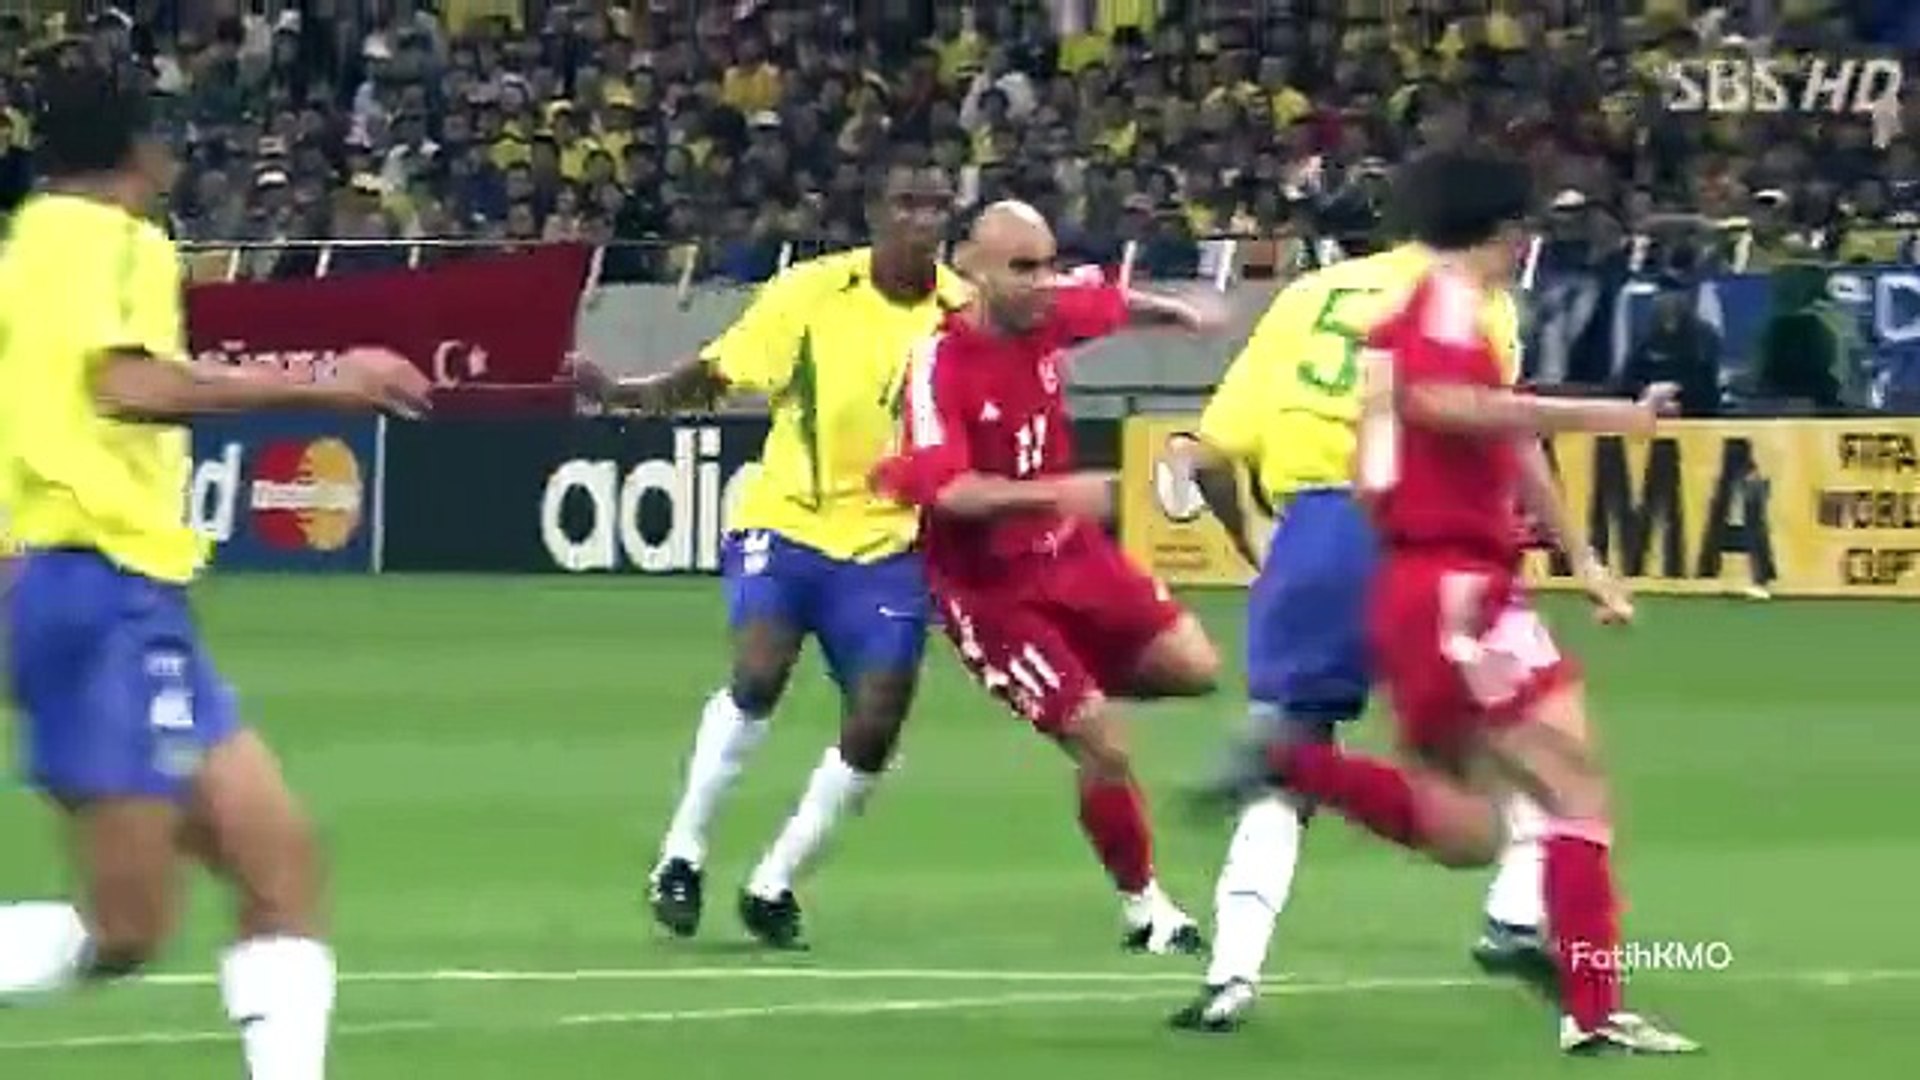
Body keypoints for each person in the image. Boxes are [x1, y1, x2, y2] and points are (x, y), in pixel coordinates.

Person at [0, 65, 430, 1079]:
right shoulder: (117, 242)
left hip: (103, 594)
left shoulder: (25, 248)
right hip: (99, 591)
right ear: (143, 151)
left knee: (277, 866)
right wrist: (327, 384)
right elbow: (126, 383)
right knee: (130, 927)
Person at [1246, 147, 1698, 1055]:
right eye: (1525, 226)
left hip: (1418, 583)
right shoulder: (1454, 306)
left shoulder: (1399, 324)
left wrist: (1581, 558)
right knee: (1572, 790)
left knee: (1468, 827)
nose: (1528, 243)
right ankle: (1593, 1011)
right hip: (1461, 589)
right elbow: (1452, 407)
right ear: (1504, 230)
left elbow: (1401, 458)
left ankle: (1300, 765)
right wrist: (1611, 415)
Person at [1173, 230, 1564, 1032]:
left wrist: (1257, 546)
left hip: (1312, 531)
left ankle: (1231, 974)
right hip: (1424, 530)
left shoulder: (1304, 297)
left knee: (1290, 751)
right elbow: (1495, 426)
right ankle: (1515, 913)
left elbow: (1210, 454)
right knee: (1535, 732)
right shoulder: (1472, 295)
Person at [573, 157, 968, 950]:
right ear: (874, 213)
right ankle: (682, 855)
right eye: (905, 203)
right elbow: (716, 376)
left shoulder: (964, 314)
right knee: (759, 672)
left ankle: (773, 883)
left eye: (935, 206)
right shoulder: (811, 292)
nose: (921, 220)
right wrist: (621, 393)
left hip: (889, 544)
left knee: (878, 721)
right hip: (787, 522)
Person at [871, 201, 1224, 953]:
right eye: (1023, 267)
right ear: (968, 267)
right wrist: (1056, 494)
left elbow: (1108, 301)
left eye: (1049, 264)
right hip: (992, 591)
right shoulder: (939, 364)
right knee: (1106, 745)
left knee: (1196, 667)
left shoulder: (1047, 309)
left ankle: (1066, 689)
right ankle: (1147, 909)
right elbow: (951, 493)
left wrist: (1178, 312)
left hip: (1073, 555)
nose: (1043, 282)